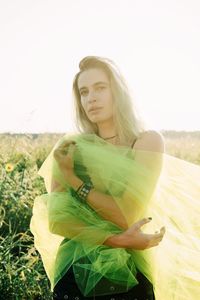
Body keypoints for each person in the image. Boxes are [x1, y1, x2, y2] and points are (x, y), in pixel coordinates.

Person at [30, 56, 200, 300]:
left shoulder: (145, 142)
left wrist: (73, 180)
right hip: (76, 272)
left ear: (119, 91)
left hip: (129, 275)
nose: (91, 98)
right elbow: (58, 220)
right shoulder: (70, 147)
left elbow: (126, 214)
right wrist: (119, 240)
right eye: (84, 92)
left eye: (100, 87)